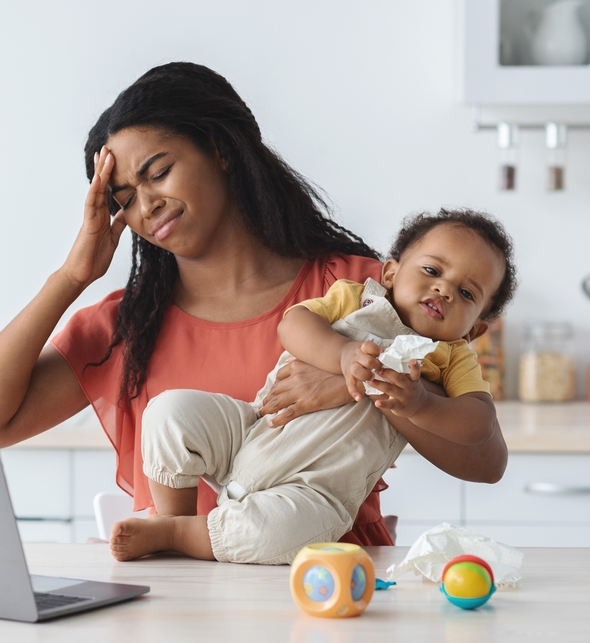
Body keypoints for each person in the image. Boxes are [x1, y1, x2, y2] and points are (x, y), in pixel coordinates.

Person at [0, 62, 508, 553]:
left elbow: (484, 460)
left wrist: (362, 380)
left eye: (158, 172)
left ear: (221, 150)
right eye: (124, 199)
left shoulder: (359, 295)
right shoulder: (126, 326)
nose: (147, 204)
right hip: (178, 611)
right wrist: (71, 277)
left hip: (328, 599)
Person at [115, 210, 516, 564]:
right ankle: (173, 517)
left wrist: (421, 405)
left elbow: (479, 422)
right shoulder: (356, 297)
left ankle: (178, 535)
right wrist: (341, 356)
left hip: (315, 492)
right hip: (253, 431)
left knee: (282, 535)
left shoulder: (450, 357)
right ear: (390, 273)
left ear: (476, 328)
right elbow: (294, 324)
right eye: (432, 271)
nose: (444, 290)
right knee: (170, 412)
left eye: (466, 293)